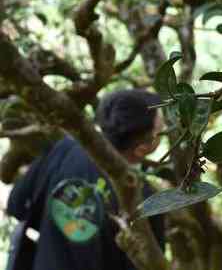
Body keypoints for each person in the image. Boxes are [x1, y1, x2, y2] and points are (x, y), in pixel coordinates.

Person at [6, 89, 165, 270]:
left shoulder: (65, 149)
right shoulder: (149, 201)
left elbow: (17, 205)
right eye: (162, 130)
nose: (165, 131)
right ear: (142, 149)